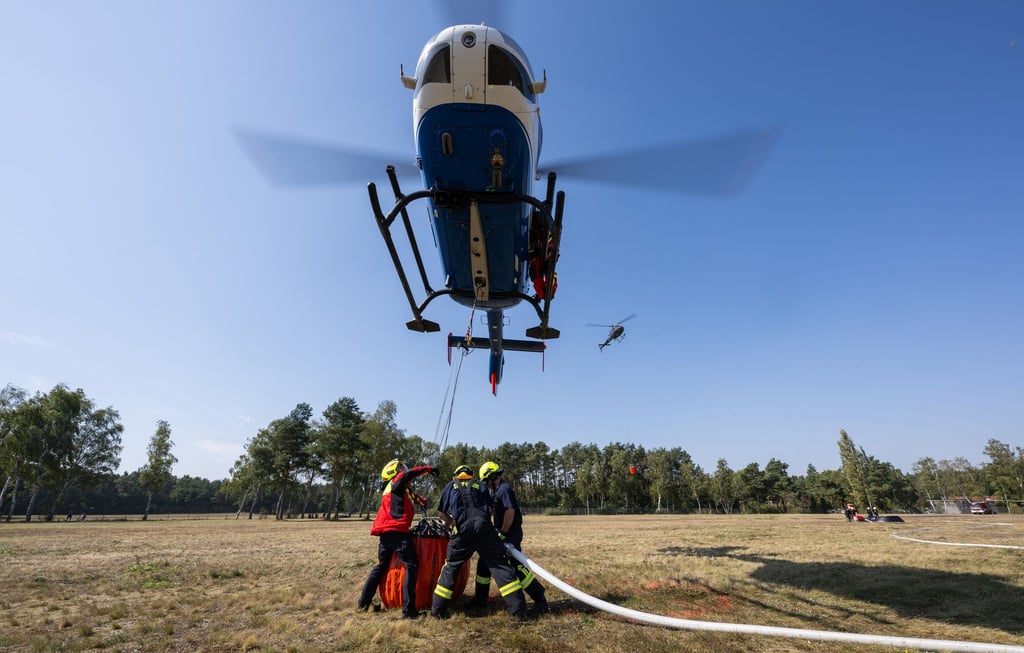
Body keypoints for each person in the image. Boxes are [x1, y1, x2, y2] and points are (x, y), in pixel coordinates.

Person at [432, 464, 528, 620]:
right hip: (485, 530)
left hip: (462, 532)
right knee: (500, 566)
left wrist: (452, 523)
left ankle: (437, 611)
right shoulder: (480, 485)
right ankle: (518, 611)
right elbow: (490, 509)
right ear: (471, 475)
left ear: (456, 475)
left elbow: (441, 514)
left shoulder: (450, 485)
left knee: (451, 568)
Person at [357, 459, 438, 619]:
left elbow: (411, 495)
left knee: (380, 567)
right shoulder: (397, 481)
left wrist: (421, 501)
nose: (403, 470)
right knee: (412, 565)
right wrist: (428, 469)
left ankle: (363, 603)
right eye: (400, 468)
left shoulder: (396, 488)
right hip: (397, 532)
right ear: (393, 472)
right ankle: (408, 610)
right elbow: (408, 475)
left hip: (386, 534)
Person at [474, 461, 549, 616]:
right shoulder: (495, 491)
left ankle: (540, 599)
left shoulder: (504, 489)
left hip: (510, 534)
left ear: (492, 476)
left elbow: (510, 512)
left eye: (486, 481)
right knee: (483, 563)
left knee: (516, 566)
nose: (485, 484)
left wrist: (502, 532)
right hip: (502, 533)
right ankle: (480, 599)